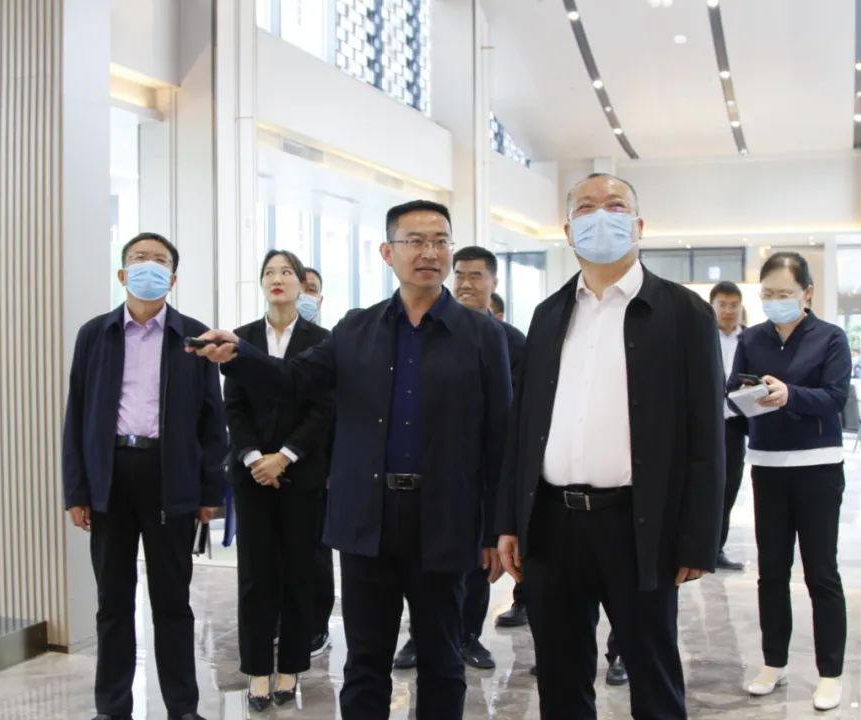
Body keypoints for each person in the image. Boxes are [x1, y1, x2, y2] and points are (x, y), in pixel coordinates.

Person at [190, 200, 511, 720]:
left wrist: (497, 527)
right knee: (365, 662)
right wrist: (241, 354)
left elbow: (500, 434)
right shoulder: (357, 329)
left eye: (439, 241)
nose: (429, 252)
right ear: (387, 252)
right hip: (368, 519)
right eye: (415, 241)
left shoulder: (482, 335)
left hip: (445, 519)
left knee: (442, 661)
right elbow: (295, 379)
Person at [497, 173, 725, 719]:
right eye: (586, 207)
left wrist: (698, 538)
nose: (601, 216)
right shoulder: (549, 314)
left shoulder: (683, 313)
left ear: (638, 225)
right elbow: (523, 428)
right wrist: (510, 520)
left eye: (615, 206)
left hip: (638, 524)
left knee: (652, 673)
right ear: (568, 229)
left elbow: (706, 435)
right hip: (552, 523)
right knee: (560, 678)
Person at [63, 232, 227, 720]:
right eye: (139, 259)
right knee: (112, 602)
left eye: (159, 261)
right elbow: (77, 416)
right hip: (111, 475)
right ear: (122, 273)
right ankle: (112, 708)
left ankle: (183, 708)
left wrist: (210, 491)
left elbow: (212, 419)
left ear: (172, 279)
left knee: (173, 602)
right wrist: (77, 490)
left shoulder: (194, 338)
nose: (148, 267)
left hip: (170, 477)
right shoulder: (94, 334)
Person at [392, 245, 526, 672]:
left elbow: (513, 413)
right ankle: (419, 637)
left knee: (478, 562)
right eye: (461, 275)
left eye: (476, 276)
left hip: (485, 469)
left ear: (494, 283)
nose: (467, 284)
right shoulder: (432, 332)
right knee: (426, 567)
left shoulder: (510, 341)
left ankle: (468, 636)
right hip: (436, 468)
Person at [729, 251, 850, 711]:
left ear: (807, 293)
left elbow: (835, 398)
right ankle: (773, 663)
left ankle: (830, 673)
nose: (775, 300)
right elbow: (732, 391)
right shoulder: (752, 338)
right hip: (767, 466)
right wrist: (748, 396)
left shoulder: (830, 338)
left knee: (821, 572)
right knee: (772, 572)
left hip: (818, 466)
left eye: (785, 293)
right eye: (768, 293)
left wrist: (789, 394)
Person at [223, 250, 334, 711]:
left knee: (299, 572)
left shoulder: (321, 341)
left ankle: (290, 668)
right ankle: (256, 672)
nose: (277, 278)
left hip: (301, 472)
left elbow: (324, 409)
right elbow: (234, 406)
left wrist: (285, 457)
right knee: (256, 575)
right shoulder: (243, 338)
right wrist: (255, 458)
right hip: (252, 474)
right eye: (269, 272)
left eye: (286, 271)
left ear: (301, 283)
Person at [297, 265, 335, 656]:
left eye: (312, 289)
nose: (305, 295)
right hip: (268, 467)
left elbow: (334, 410)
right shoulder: (258, 340)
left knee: (315, 553)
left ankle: (316, 625)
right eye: (300, 286)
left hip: (317, 465)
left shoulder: (331, 342)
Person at [710, 281, 748, 571]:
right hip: (705, 424)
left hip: (735, 425)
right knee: (702, 487)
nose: (728, 310)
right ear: (712, 306)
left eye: (733, 305)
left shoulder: (750, 339)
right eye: (722, 304)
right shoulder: (700, 336)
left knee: (728, 488)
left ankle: (717, 550)